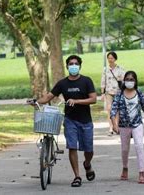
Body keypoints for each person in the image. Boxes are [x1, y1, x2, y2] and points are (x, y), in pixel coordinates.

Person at [32, 55, 97, 187]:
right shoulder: (63, 83)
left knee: (88, 149)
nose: (73, 66)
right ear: (67, 66)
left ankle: (87, 164)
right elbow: (50, 96)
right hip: (70, 120)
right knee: (72, 147)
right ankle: (77, 176)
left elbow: (93, 99)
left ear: (79, 66)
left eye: (76, 63)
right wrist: (35, 102)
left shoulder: (86, 81)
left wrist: (76, 101)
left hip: (85, 120)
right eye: (71, 64)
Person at [110, 71, 144, 184]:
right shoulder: (120, 94)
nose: (129, 81)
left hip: (137, 124)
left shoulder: (139, 93)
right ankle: (125, 168)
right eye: (127, 79)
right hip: (124, 126)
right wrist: (114, 124)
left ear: (135, 81)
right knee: (125, 149)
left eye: (132, 79)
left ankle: (141, 172)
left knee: (139, 146)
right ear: (124, 80)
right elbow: (113, 109)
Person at [100, 51, 125, 136]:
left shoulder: (120, 68)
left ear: (115, 59)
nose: (110, 60)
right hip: (108, 92)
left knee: (117, 110)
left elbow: (123, 81)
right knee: (109, 109)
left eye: (112, 58)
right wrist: (102, 93)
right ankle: (110, 127)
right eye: (109, 58)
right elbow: (103, 81)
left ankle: (116, 126)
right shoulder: (105, 69)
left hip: (118, 91)